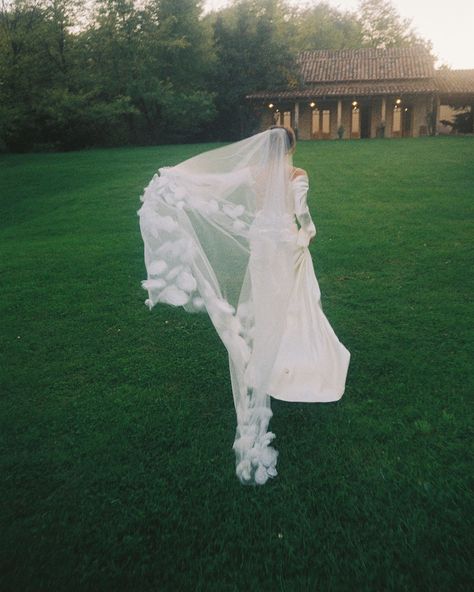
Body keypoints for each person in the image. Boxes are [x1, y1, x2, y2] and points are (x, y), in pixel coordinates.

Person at [138, 125, 350, 486]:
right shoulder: (298, 174)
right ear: (292, 146)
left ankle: (268, 358)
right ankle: (294, 360)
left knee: (267, 306)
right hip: (285, 242)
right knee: (295, 306)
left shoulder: (254, 172)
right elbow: (303, 212)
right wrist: (307, 234)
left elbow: (216, 183)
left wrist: (173, 179)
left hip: (262, 244)